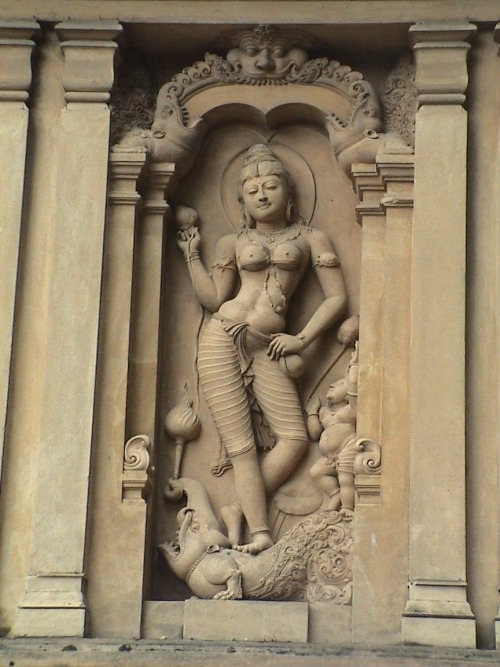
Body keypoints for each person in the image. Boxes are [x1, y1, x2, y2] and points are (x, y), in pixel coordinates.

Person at [177, 143, 347, 553]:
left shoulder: (310, 238)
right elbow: (214, 300)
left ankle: (236, 508)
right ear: (242, 201)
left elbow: (336, 299)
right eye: (253, 191)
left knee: (293, 439)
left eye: (271, 186)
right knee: (241, 447)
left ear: (290, 194)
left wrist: (301, 339)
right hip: (222, 338)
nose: (263, 195)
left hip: (270, 346)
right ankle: (260, 533)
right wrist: (191, 256)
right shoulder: (232, 243)